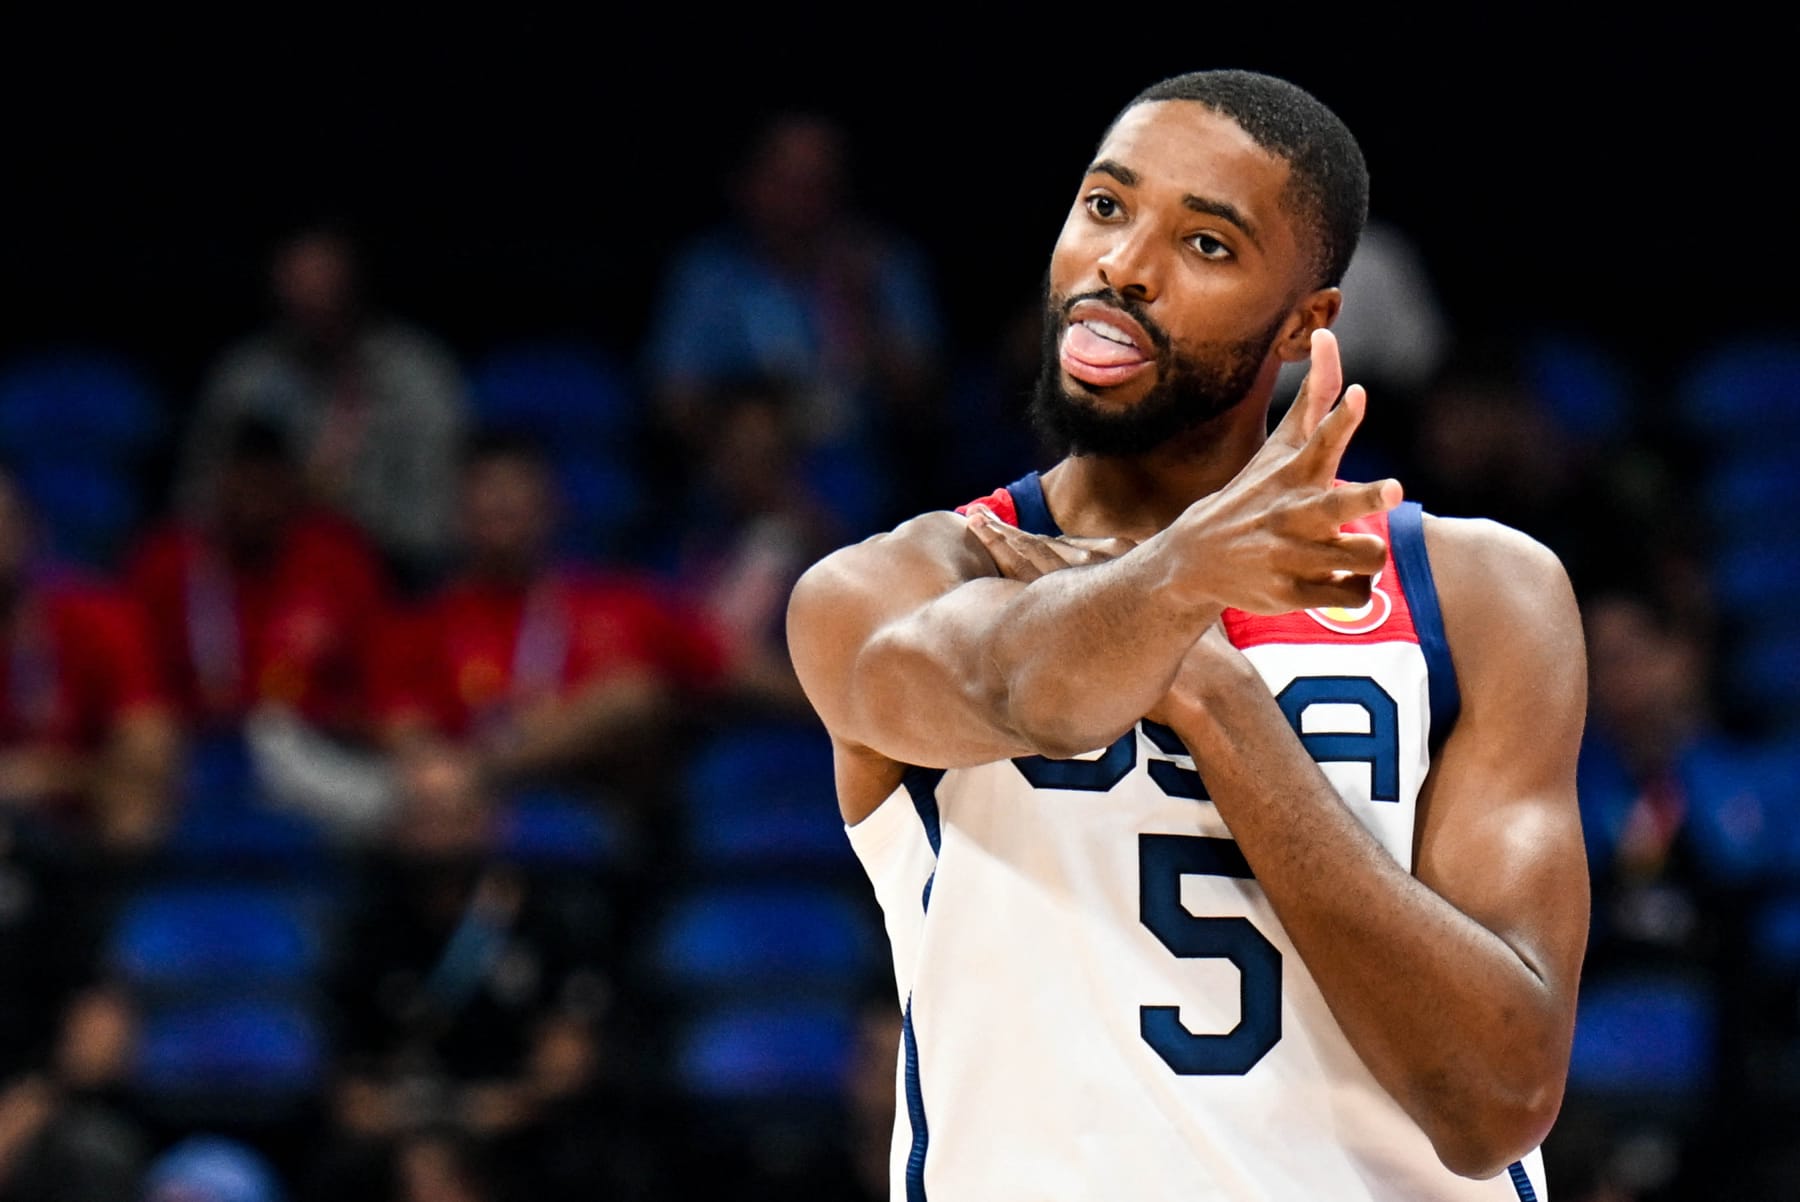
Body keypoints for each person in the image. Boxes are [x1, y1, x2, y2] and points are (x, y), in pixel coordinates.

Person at [786, 70, 1589, 1200]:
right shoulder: (900, 582)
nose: (1123, 265)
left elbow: (1495, 1102)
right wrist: (1182, 575)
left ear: (1306, 323)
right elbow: (1028, 693)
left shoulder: (1481, 595)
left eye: (1207, 245)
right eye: (1106, 207)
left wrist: (1215, 695)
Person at [179, 227, 469, 584]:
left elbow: (435, 518)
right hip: (258, 573)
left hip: (388, 574)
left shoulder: (416, 375)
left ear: (354, 284)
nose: (312, 298)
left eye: (325, 281)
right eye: (297, 283)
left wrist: (338, 521)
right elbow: (195, 501)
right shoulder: (245, 377)